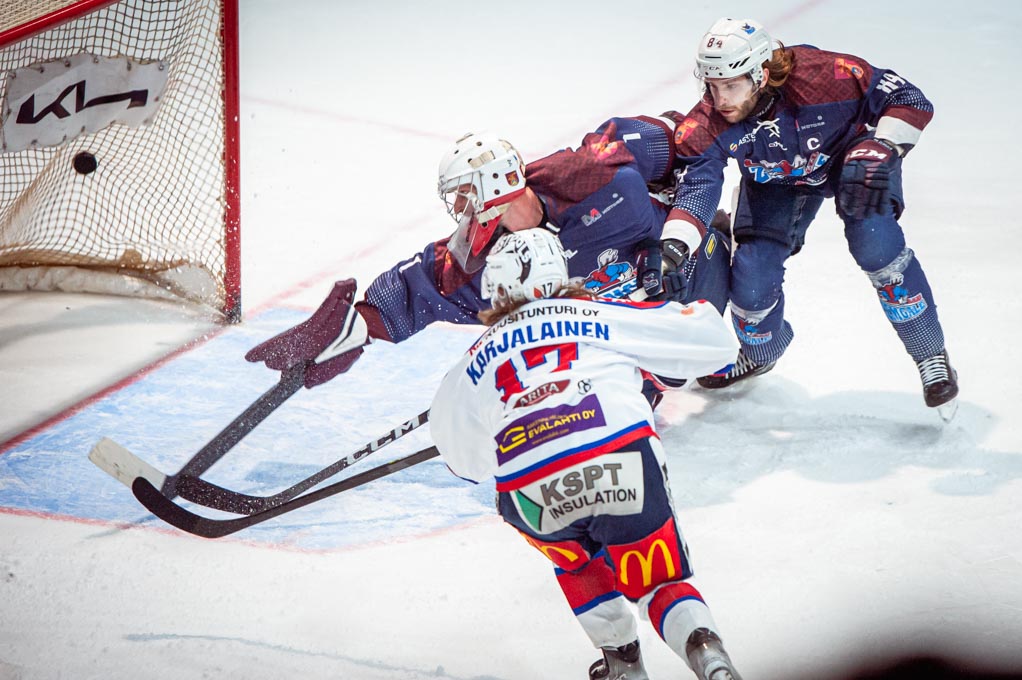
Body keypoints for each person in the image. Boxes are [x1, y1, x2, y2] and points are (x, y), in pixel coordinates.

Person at [428, 228, 742, 680]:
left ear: (496, 289)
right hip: (620, 456)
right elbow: (716, 344)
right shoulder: (599, 311)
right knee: (660, 583)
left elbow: (464, 461)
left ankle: (622, 663)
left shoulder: (470, 364)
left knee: (576, 560)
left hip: (530, 487)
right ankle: (709, 657)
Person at [243, 127, 733, 409]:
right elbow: (419, 286)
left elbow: (696, 151)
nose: (459, 210)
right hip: (623, 334)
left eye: (464, 196)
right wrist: (354, 327)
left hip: (691, 272)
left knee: (717, 347)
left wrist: (678, 239)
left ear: (495, 188)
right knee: (596, 406)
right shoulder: (489, 260)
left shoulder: (592, 170)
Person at [652, 17, 958, 416]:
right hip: (773, 185)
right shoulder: (705, 122)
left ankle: (930, 354)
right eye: (711, 86)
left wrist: (883, 145)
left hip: (848, 163)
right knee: (752, 287)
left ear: (761, 74)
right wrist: (675, 244)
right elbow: (698, 189)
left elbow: (910, 98)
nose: (720, 99)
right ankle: (762, 353)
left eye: (731, 85)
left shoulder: (827, 75)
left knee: (875, 243)